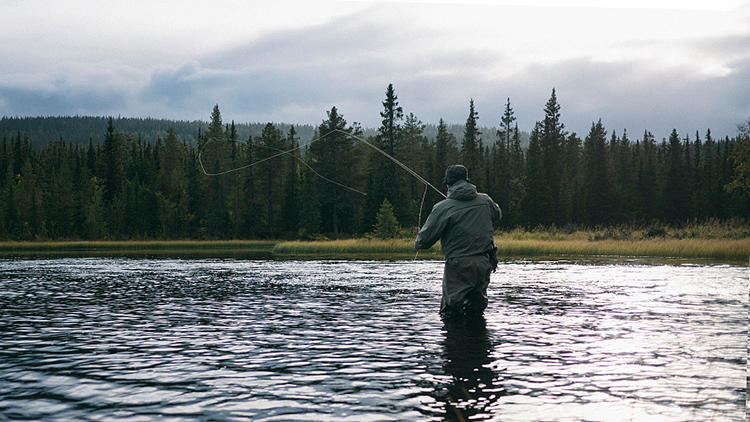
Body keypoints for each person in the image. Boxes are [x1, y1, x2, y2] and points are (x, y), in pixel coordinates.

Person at [415, 164, 501, 320]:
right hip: (484, 263)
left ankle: (455, 344)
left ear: (448, 183)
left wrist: (419, 236)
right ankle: (478, 343)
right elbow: (497, 215)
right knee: (476, 311)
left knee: (451, 313)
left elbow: (422, 243)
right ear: (467, 180)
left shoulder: (442, 208)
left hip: (458, 267)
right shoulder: (485, 200)